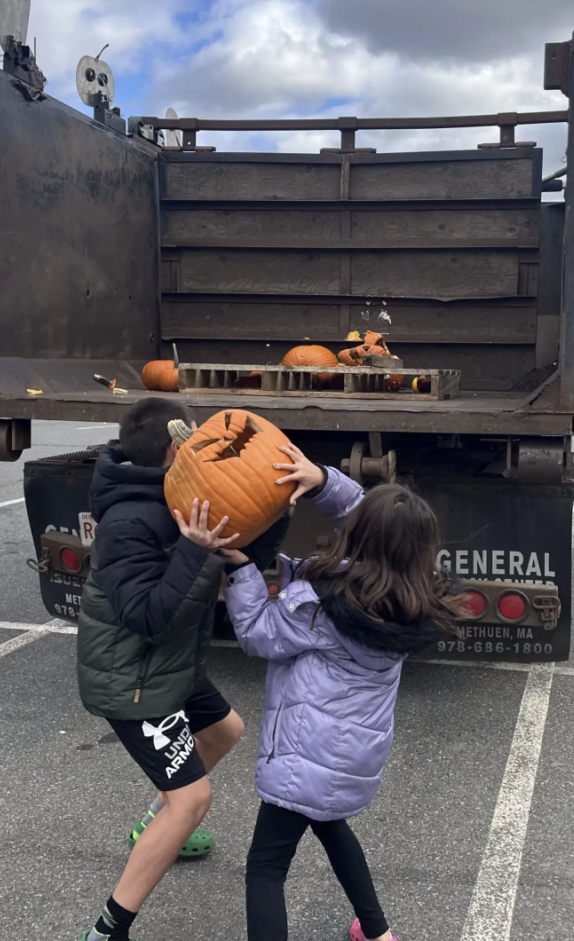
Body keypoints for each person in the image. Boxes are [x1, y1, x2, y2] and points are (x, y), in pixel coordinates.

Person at [222, 442, 466, 941]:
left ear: (358, 538)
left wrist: (240, 569)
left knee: (266, 867)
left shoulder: (322, 608)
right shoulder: (410, 597)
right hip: (350, 757)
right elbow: (378, 522)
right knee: (331, 825)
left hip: (304, 758)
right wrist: (325, 480)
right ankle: (376, 932)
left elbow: (255, 632)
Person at [76, 397, 289, 941]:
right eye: (193, 439)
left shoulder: (182, 495)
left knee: (225, 730)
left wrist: (278, 506)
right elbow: (147, 618)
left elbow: (237, 549)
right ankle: (107, 929)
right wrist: (194, 552)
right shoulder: (127, 522)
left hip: (171, 666)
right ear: (175, 449)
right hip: (135, 680)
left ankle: (155, 821)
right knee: (192, 799)